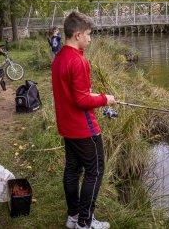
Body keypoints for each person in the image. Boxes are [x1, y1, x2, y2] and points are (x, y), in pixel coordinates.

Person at [51, 12, 116, 229]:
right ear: (77, 34)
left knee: (72, 170)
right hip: (84, 128)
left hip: (67, 127)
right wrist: (105, 99)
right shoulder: (79, 60)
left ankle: (73, 217)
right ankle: (85, 223)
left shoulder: (59, 57)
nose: (90, 39)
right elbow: (81, 100)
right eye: (88, 35)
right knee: (95, 171)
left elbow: (73, 93)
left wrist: (91, 95)